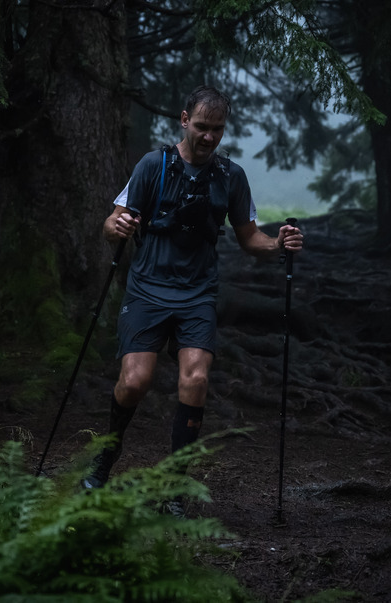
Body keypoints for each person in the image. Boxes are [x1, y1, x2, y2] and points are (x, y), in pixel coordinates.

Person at [83, 85, 304, 509]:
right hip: (147, 289)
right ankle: (106, 455)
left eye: (217, 129)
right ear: (184, 120)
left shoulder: (230, 177)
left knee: (197, 378)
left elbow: (249, 238)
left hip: (197, 294)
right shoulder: (155, 165)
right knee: (134, 381)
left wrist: (279, 245)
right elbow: (112, 222)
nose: (209, 136)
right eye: (202, 127)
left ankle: (174, 488)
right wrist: (119, 228)